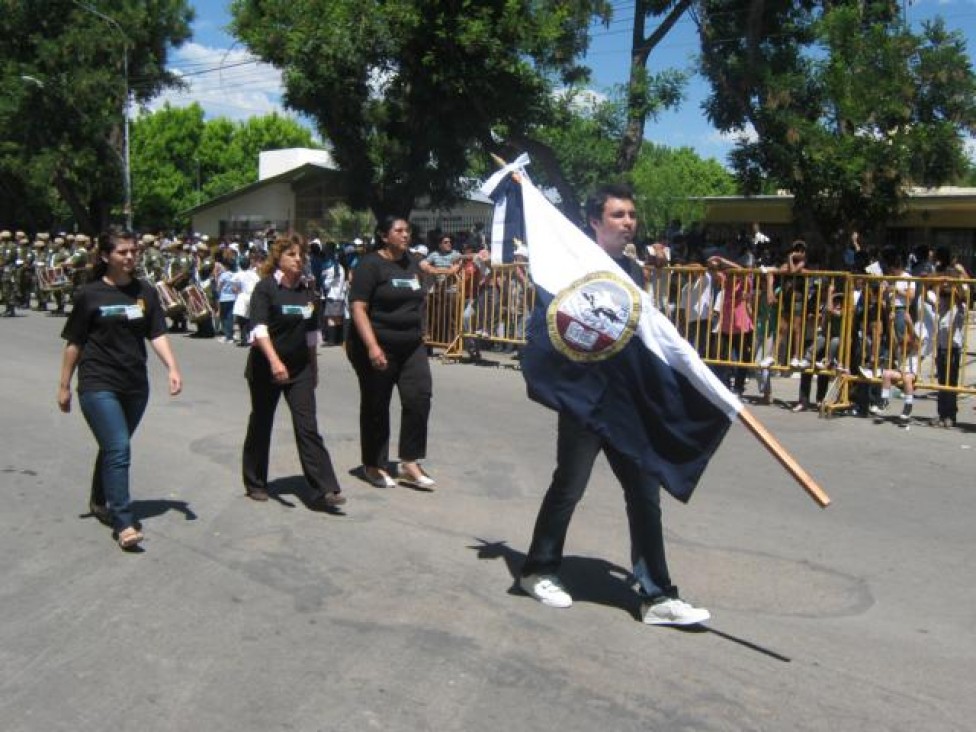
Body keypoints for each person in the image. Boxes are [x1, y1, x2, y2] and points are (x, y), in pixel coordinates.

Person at [518, 183, 710, 626]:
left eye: (631, 215)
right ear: (594, 222)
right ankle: (537, 570)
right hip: (586, 402)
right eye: (619, 215)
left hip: (625, 406)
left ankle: (657, 595)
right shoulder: (572, 267)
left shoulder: (634, 272)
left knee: (645, 494)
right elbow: (550, 325)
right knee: (569, 486)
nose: (629, 223)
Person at [57, 230, 183, 550]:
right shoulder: (90, 294)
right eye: (122, 252)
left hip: (135, 385)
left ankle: (100, 499)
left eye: (133, 251)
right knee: (119, 448)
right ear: (105, 256)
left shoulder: (146, 292)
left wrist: (172, 367)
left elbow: (156, 333)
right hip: (98, 383)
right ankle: (123, 521)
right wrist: (64, 386)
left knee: (115, 445)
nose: (130, 257)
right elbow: (75, 343)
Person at [241, 235, 346, 510]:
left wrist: (314, 366)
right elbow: (259, 330)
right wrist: (275, 362)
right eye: (292, 254)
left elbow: (312, 333)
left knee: (307, 426)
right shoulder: (265, 289)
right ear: (279, 258)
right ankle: (255, 483)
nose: (298, 259)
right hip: (266, 368)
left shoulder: (308, 293)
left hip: (299, 369)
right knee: (261, 423)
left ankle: (324, 488)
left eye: (301, 255)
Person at [347, 216, 436, 490]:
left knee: (419, 396)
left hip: (410, 345)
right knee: (376, 404)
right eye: (398, 231)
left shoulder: (412, 263)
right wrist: (373, 346)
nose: (405, 235)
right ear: (384, 236)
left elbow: (421, 295)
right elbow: (358, 307)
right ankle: (374, 464)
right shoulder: (369, 265)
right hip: (375, 343)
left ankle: (409, 461)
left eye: (407, 230)